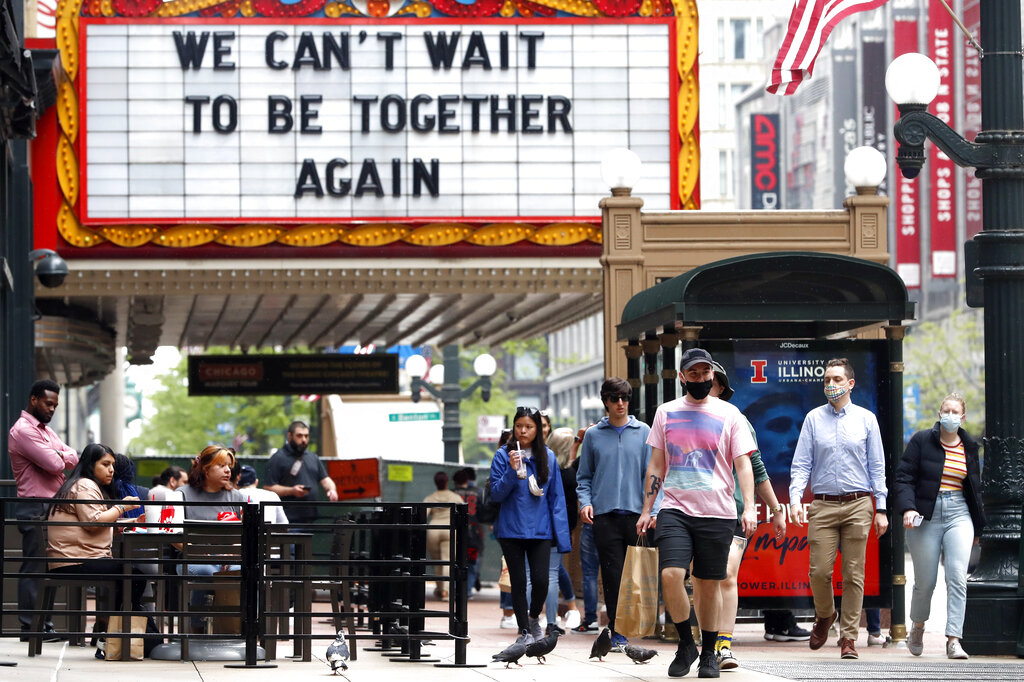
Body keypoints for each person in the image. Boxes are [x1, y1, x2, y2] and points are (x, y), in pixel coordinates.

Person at [638, 347, 757, 679]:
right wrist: (647, 508)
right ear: (682, 377)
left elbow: (743, 464)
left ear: (712, 376)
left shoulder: (730, 414)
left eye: (706, 373)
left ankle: (708, 652)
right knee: (671, 575)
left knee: (708, 584)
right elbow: (657, 464)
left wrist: (749, 507)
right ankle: (685, 642)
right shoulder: (666, 412)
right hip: (674, 507)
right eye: (694, 373)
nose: (701, 378)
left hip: (717, 511)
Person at [789, 357, 888, 661]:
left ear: (850, 383)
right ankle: (825, 614)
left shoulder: (866, 419)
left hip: (859, 503)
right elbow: (802, 463)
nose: (830, 385)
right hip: (823, 504)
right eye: (827, 380)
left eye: (836, 379)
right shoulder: (813, 419)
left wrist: (881, 507)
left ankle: (848, 638)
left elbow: (877, 466)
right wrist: (795, 499)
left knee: (854, 574)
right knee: (818, 571)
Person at [695, 362, 787, 670]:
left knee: (727, 575)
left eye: (714, 382)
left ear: (721, 388)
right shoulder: (682, 418)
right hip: (693, 512)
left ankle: (724, 645)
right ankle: (706, 642)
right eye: (703, 380)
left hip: (731, 512)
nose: (708, 386)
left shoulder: (738, 422)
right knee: (703, 578)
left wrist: (774, 510)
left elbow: (757, 470)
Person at [895, 393, 984, 660]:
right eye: (946, 410)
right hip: (926, 513)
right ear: (939, 413)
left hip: (960, 513)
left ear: (963, 417)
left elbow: (975, 490)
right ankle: (918, 626)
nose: (950, 415)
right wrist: (908, 508)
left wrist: (978, 529)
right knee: (926, 582)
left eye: (955, 411)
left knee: (957, 576)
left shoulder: (969, 446)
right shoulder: (922, 440)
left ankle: (954, 639)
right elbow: (903, 477)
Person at [576, 377, 655, 653]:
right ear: (605, 402)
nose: (620, 404)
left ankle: (640, 624)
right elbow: (584, 476)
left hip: (637, 517)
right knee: (612, 576)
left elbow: (653, 475)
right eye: (614, 399)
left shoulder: (644, 431)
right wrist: (585, 502)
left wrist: (652, 510)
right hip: (605, 517)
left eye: (624, 398)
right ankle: (618, 631)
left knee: (636, 575)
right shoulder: (594, 435)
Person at [45, 443, 145, 651]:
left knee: (130, 574)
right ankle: (112, 635)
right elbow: (93, 522)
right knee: (133, 575)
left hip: (78, 557)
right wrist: (122, 507)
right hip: (74, 561)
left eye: (113, 465)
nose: (111, 470)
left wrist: (130, 523)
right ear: (91, 465)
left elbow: (97, 522)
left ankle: (108, 630)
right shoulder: (84, 486)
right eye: (105, 464)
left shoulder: (86, 485)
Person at [489, 406, 571, 645]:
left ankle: (534, 617)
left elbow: (556, 498)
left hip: (540, 529)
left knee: (542, 580)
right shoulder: (503, 455)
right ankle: (524, 630)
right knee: (518, 582)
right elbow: (496, 494)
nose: (523, 431)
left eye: (528, 427)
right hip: (511, 529)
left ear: (538, 430)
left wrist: (562, 536)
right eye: (518, 426)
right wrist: (513, 472)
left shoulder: (548, 456)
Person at [8, 379, 79, 640]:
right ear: (34, 399)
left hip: (51, 507)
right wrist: (59, 456)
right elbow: (55, 463)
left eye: (55, 405)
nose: (52, 409)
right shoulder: (23, 431)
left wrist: (60, 455)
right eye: (48, 403)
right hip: (35, 506)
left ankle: (45, 625)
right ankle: (31, 628)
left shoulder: (45, 432)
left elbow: (74, 456)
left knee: (51, 568)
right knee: (34, 568)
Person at [177, 445, 248, 632]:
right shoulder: (182, 494)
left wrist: (230, 555)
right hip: (193, 557)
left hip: (229, 558)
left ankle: (242, 628)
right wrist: (199, 552)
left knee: (243, 571)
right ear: (205, 469)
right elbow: (173, 534)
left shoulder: (236, 497)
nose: (227, 470)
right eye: (221, 465)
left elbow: (244, 534)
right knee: (207, 572)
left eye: (229, 466)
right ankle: (197, 628)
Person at [264, 421, 338, 526]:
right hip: (288, 520)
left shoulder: (313, 457)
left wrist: (332, 490)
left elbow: (325, 479)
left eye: (306, 436)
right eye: (299, 436)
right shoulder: (278, 458)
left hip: (310, 518)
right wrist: (291, 491)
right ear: (289, 436)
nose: (304, 439)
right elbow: (268, 487)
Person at [545, 427, 583, 633]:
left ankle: (532, 620)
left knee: (533, 574)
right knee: (552, 573)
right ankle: (551, 621)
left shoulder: (545, 470)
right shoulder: (569, 474)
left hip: (540, 525)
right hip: (560, 527)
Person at [423, 471, 464, 599]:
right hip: (449, 529)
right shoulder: (455, 497)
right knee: (448, 560)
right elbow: (462, 513)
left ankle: (440, 588)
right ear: (447, 482)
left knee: (437, 562)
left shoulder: (430, 498)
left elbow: (423, 514)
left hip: (433, 529)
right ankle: (446, 591)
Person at [452, 468, 484, 599]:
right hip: (473, 531)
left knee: (455, 561)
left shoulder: (452, 493)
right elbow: (484, 510)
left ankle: (455, 590)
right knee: (471, 563)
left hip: (455, 530)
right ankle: (468, 591)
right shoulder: (478, 492)